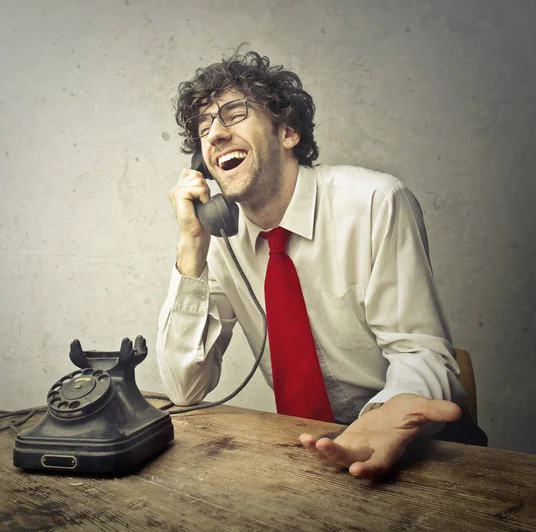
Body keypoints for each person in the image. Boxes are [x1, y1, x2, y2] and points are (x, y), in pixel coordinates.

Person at [156, 48, 486, 479]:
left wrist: (388, 414)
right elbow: (185, 388)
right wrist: (191, 245)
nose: (215, 134)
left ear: (288, 130)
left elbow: (420, 352)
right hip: (312, 458)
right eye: (204, 127)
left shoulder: (375, 202)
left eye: (233, 114)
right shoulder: (222, 242)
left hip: (419, 451)